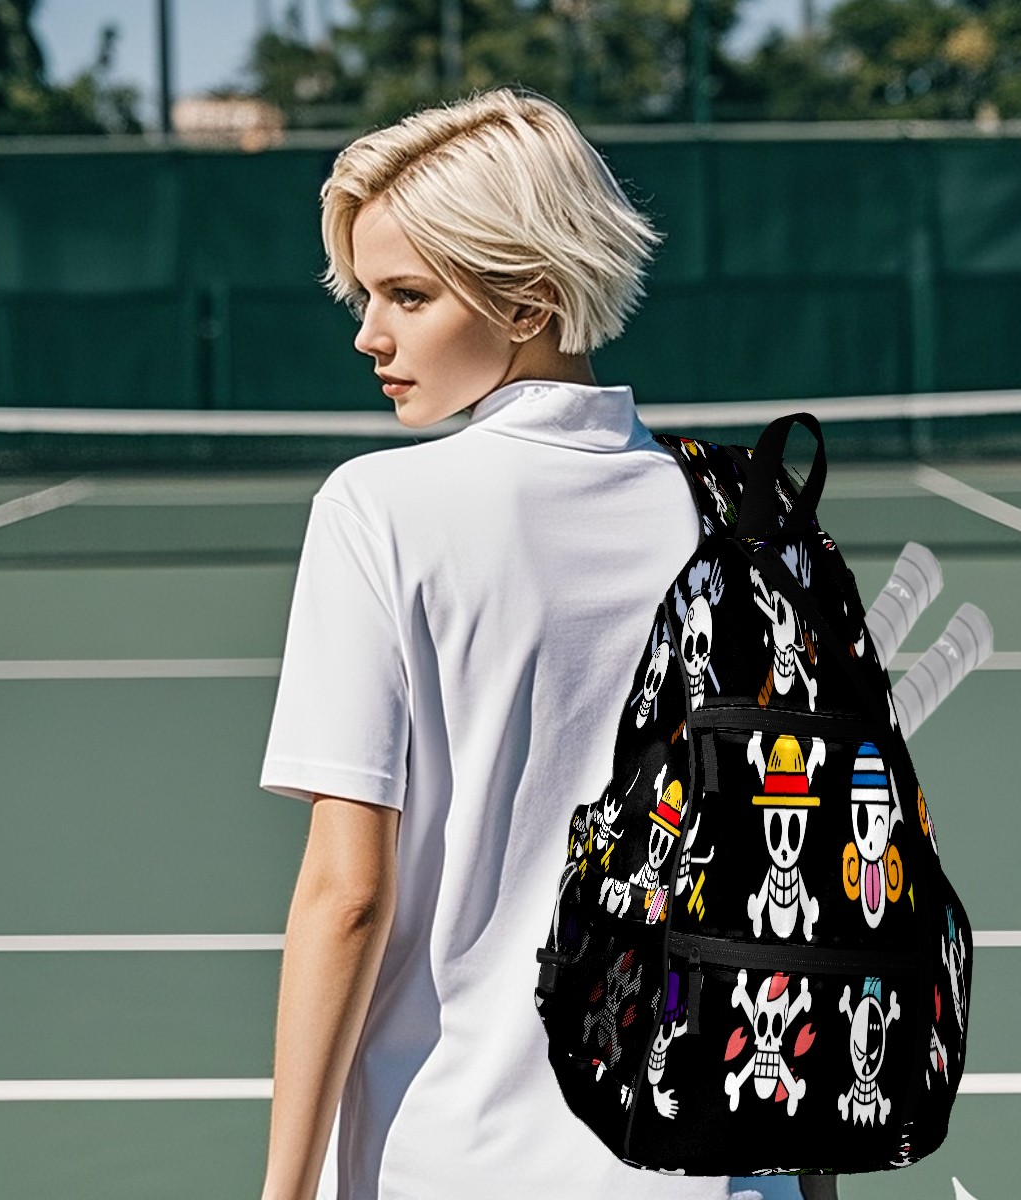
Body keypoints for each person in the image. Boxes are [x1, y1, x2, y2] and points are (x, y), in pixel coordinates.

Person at [257, 84, 838, 1200]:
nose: (368, 333)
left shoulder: (376, 511)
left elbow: (348, 896)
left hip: (454, 1166)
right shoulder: (755, 517)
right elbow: (798, 895)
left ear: (527, 301)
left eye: (407, 295)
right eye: (365, 295)